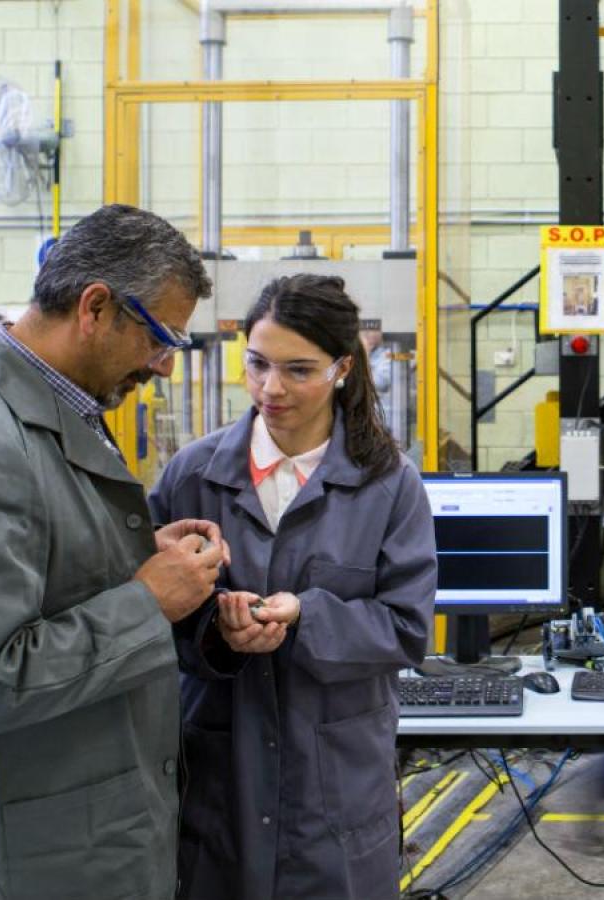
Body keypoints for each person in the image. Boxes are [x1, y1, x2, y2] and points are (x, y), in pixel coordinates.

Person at [0, 204, 227, 898]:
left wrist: (126, 558)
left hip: (84, 843)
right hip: (23, 863)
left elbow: (44, 578)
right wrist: (149, 601)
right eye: (160, 338)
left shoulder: (55, 416)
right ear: (96, 307)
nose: (160, 366)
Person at [150, 273, 437, 900]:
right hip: (218, 780)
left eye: (298, 370)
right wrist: (216, 632)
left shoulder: (388, 485)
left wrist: (305, 614)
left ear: (342, 369)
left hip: (333, 794)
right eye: (257, 364)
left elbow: (407, 628)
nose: (271, 388)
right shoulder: (191, 477)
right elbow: (144, 619)